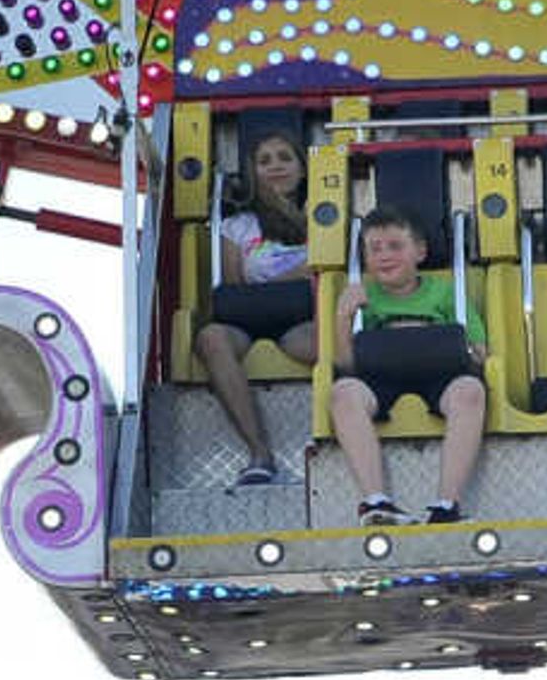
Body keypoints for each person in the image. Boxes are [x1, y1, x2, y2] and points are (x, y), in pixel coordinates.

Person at [326, 204, 487, 526]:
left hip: (439, 377)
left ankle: (446, 505)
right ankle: (375, 501)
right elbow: (345, 364)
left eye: (396, 246)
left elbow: (480, 351)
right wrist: (343, 317)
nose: (385, 255)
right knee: (343, 393)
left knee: (470, 391)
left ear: (420, 252)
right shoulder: (362, 297)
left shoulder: (445, 292)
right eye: (375, 249)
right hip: (380, 379)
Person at [190, 124, 319, 489]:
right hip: (251, 319)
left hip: (300, 320)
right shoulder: (238, 226)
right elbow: (235, 288)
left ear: (302, 167)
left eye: (284, 158)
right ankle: (260, 454)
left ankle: (330, 440)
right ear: (253, 172)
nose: (275, 166)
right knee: (211, 338)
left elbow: (328, 271)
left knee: (328, 340)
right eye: (264, 161)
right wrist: (294, 275)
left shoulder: (320, 219)